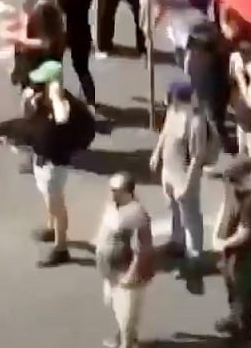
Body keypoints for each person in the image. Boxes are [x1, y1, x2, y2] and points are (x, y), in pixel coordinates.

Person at [24, 60, 90, 267]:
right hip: (40, 159)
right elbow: (29, 120)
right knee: (48, 197)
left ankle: (61, 247)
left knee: (57, 204)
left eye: (41, 84)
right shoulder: (40, 101)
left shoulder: (63, 106)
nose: (35, 87)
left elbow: (61, 121)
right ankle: (51, 226)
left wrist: (55, 98)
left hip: (54, 164)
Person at [150, 82, 215, 274]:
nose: (167, 100)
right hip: (168, 171)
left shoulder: (196, 121)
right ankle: (177, 242)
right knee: (173, 208)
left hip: (184, 174)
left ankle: (195, 257)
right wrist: (156, 153)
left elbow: (198, 156)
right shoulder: (173, 111)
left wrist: (188, 184)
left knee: (191, 216)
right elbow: (165, 132)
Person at [94, 172, 154, 348]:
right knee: (116, 307)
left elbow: (144, 247)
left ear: (127, 192)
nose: (111, 193)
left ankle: (126, 343)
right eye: (110, 189)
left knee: (127, 313)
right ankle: (124, 337)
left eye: (115, 190)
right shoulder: (112, 206)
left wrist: (132, 273)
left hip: (125, 271)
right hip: (110, 270)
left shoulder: (137, 213)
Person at [213, 156, 251, 345]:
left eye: (234, 179)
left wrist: (224, 244)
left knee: (243, 293)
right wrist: (217, 234)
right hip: (229, 251)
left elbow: (245, 233)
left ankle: (243, 332)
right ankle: (234, 318)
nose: (231, 183)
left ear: (246, 177)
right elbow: (224, 207)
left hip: (244, 254)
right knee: (232, 289)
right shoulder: (232, 189)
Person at [54, 0, 96, 107]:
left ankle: (56, 97)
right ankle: (90, 99)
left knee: (55, 67)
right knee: (82, 68)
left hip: (65, 31)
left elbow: (59, 7)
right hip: (83, 31)